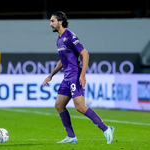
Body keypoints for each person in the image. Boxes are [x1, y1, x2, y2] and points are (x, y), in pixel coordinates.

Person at [43, 11, 114, 144]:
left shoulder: (70, 36)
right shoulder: (59, 40)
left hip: (75, 75)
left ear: (60, 22)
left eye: (53, 21)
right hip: (67, 76)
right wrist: (51, 75)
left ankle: (106, 129)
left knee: (80, 107)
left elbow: (85, 54)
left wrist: (82, 75)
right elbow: (62, 60)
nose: (50, 24)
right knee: (59, 105)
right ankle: (71, 136)